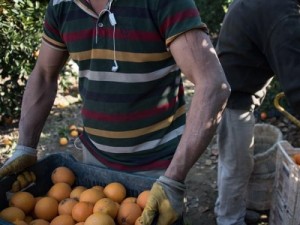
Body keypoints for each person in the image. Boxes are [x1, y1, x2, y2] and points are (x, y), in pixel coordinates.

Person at [0, 0, 230, 224]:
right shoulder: (62, 5)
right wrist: (25, 145)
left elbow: (212, 85)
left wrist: (173, 180)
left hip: (158, 170)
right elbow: (43, 74)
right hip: (94, 165)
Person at [214, 0, 300, 224]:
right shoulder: (281, 13)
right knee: (238, 166)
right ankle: (229, 219)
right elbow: (297, 85)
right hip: (234, 97)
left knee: (232, 160)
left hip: (226, 89)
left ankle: (230, 208)